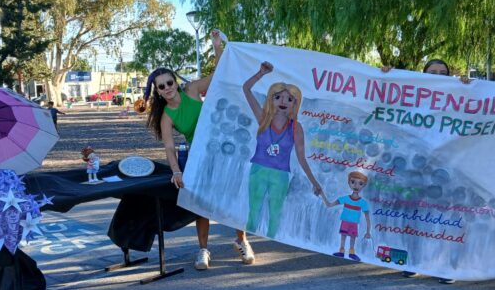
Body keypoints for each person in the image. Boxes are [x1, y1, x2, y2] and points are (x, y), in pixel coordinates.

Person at [144, 30, 254, 270]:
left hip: (225, 149)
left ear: (175, 81)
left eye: (170, 82)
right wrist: (176, 172)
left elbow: (220, 75)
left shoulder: (192, 90)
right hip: (199, 157)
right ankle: (203, 250)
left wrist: (216, 46)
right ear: (158, 91)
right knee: (201, 205)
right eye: (162, 86)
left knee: (233, 197)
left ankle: (242, 241)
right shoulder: (166, 116)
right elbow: (170, 147)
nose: (167, 87)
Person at [383, 58, 468, 283]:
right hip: (414, 168)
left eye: (443, 71)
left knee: (443, 219)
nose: (438, 75)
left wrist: (470, 87)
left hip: (445, 170)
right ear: (424, 74)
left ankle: (444, 267)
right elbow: (384, 101)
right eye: (433, 71)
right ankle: (411, 262)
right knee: (411, 217)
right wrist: (386, 77)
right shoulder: (410, 97)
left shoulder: (459, 98)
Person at [242, 61, 323, 239]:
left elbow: (302, 159)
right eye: (278, 97)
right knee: (253, 210)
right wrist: (260, 74)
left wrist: (314, 183)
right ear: (271, 99)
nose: (283, 101)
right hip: (258, 171)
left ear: (295, 103)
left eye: (289, 98)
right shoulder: (263, 118)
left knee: (275, 213)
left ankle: (270, 243)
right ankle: (246, 242)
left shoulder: (296, 127)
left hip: (280, 176)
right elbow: (246, 89)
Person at [321, 171, 371, 261]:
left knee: (353, 238)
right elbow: (329, 205)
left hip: (354, 224)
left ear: (364, 185)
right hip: (345, 222)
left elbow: (367, 217)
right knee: (343, 236)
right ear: (349, 183)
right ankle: (341, 251)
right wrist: (322, 194)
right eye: (353, 182)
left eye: (360, 183)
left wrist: (368, 231)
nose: (356, 186)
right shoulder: (345, 199)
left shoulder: (363, 203)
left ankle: (351, 253)